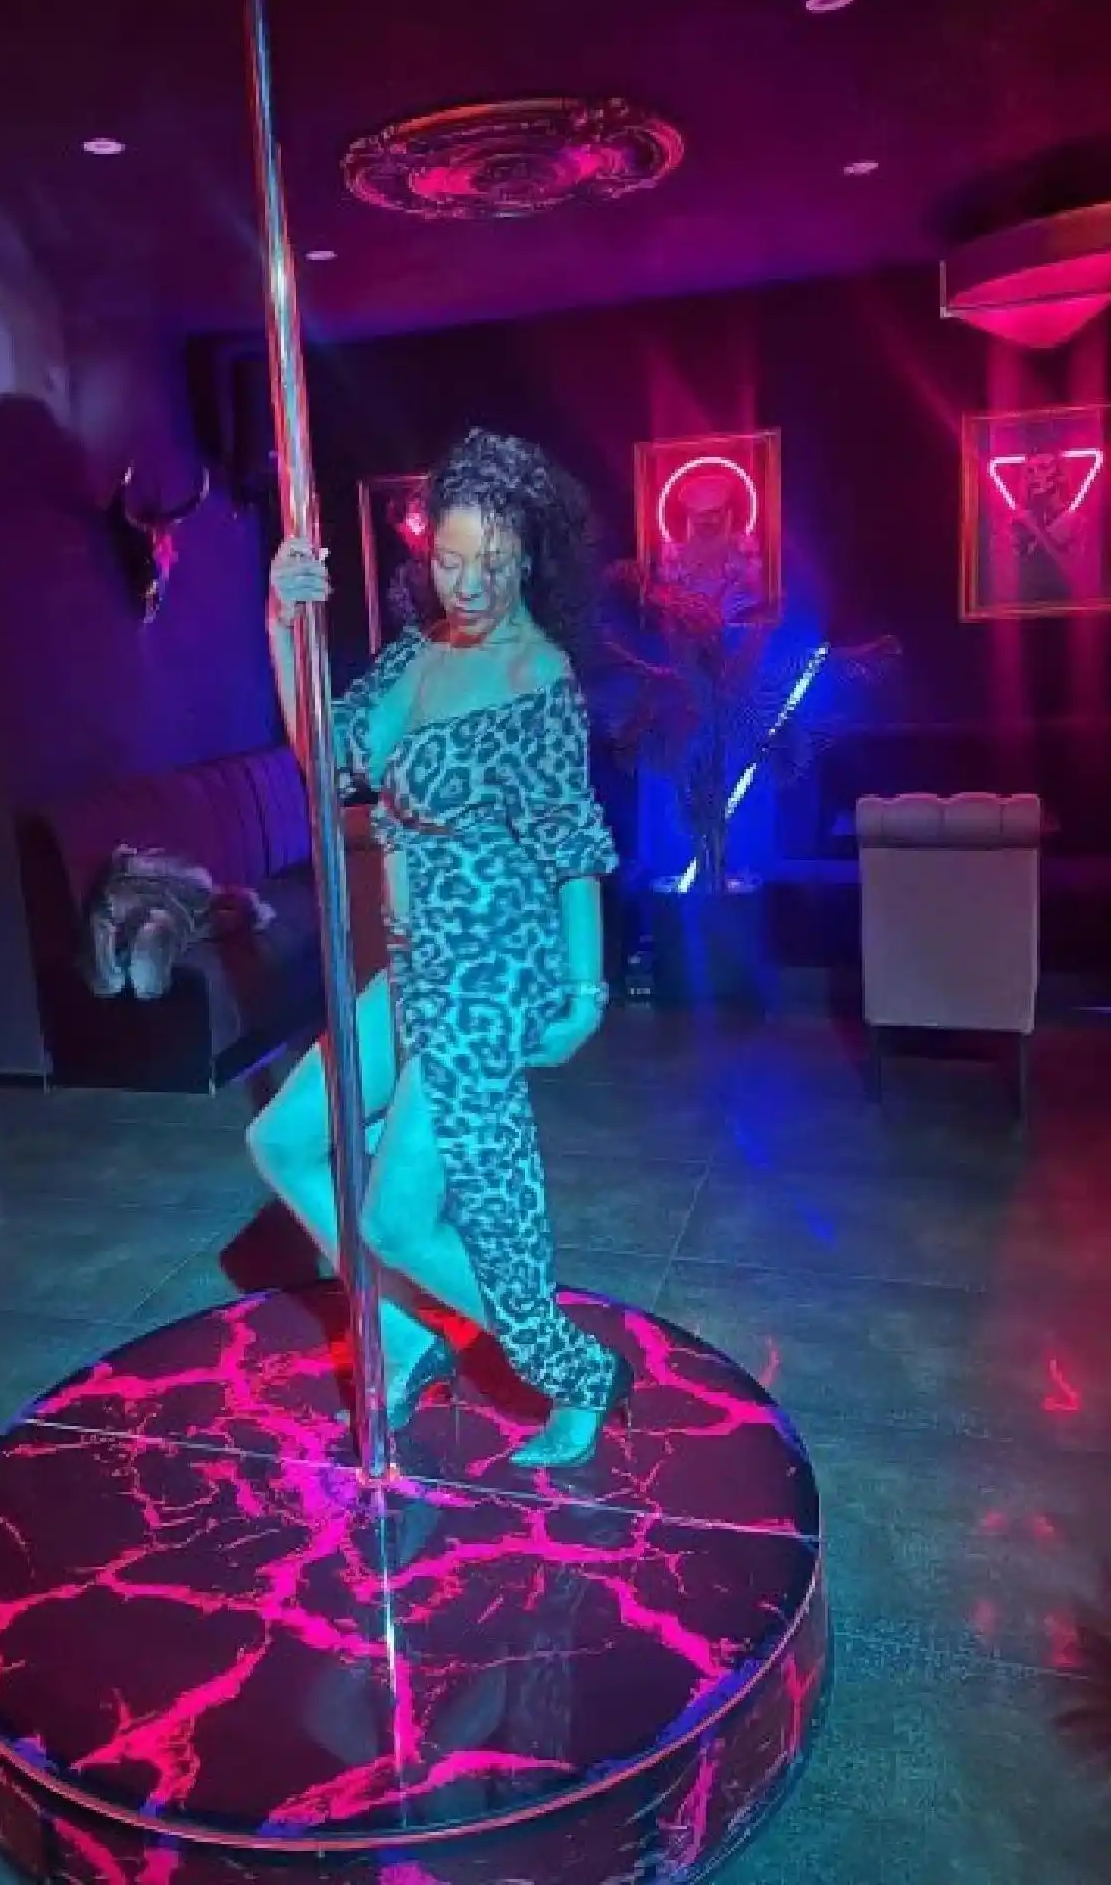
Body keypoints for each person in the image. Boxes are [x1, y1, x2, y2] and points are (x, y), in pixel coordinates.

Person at [246, 428, 631, 1470]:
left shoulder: (537, 675)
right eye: (450, 558)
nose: (468, 583)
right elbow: (326, 757)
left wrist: (586, 990)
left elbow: (573, 843)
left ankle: (576, 1370)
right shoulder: (418, 653)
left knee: (400, 1217)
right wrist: (283, 623)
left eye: (490, 562)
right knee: (284, 1141)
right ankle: (406, 1335)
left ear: (527, 554)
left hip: (491, 971)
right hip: (416, 963)